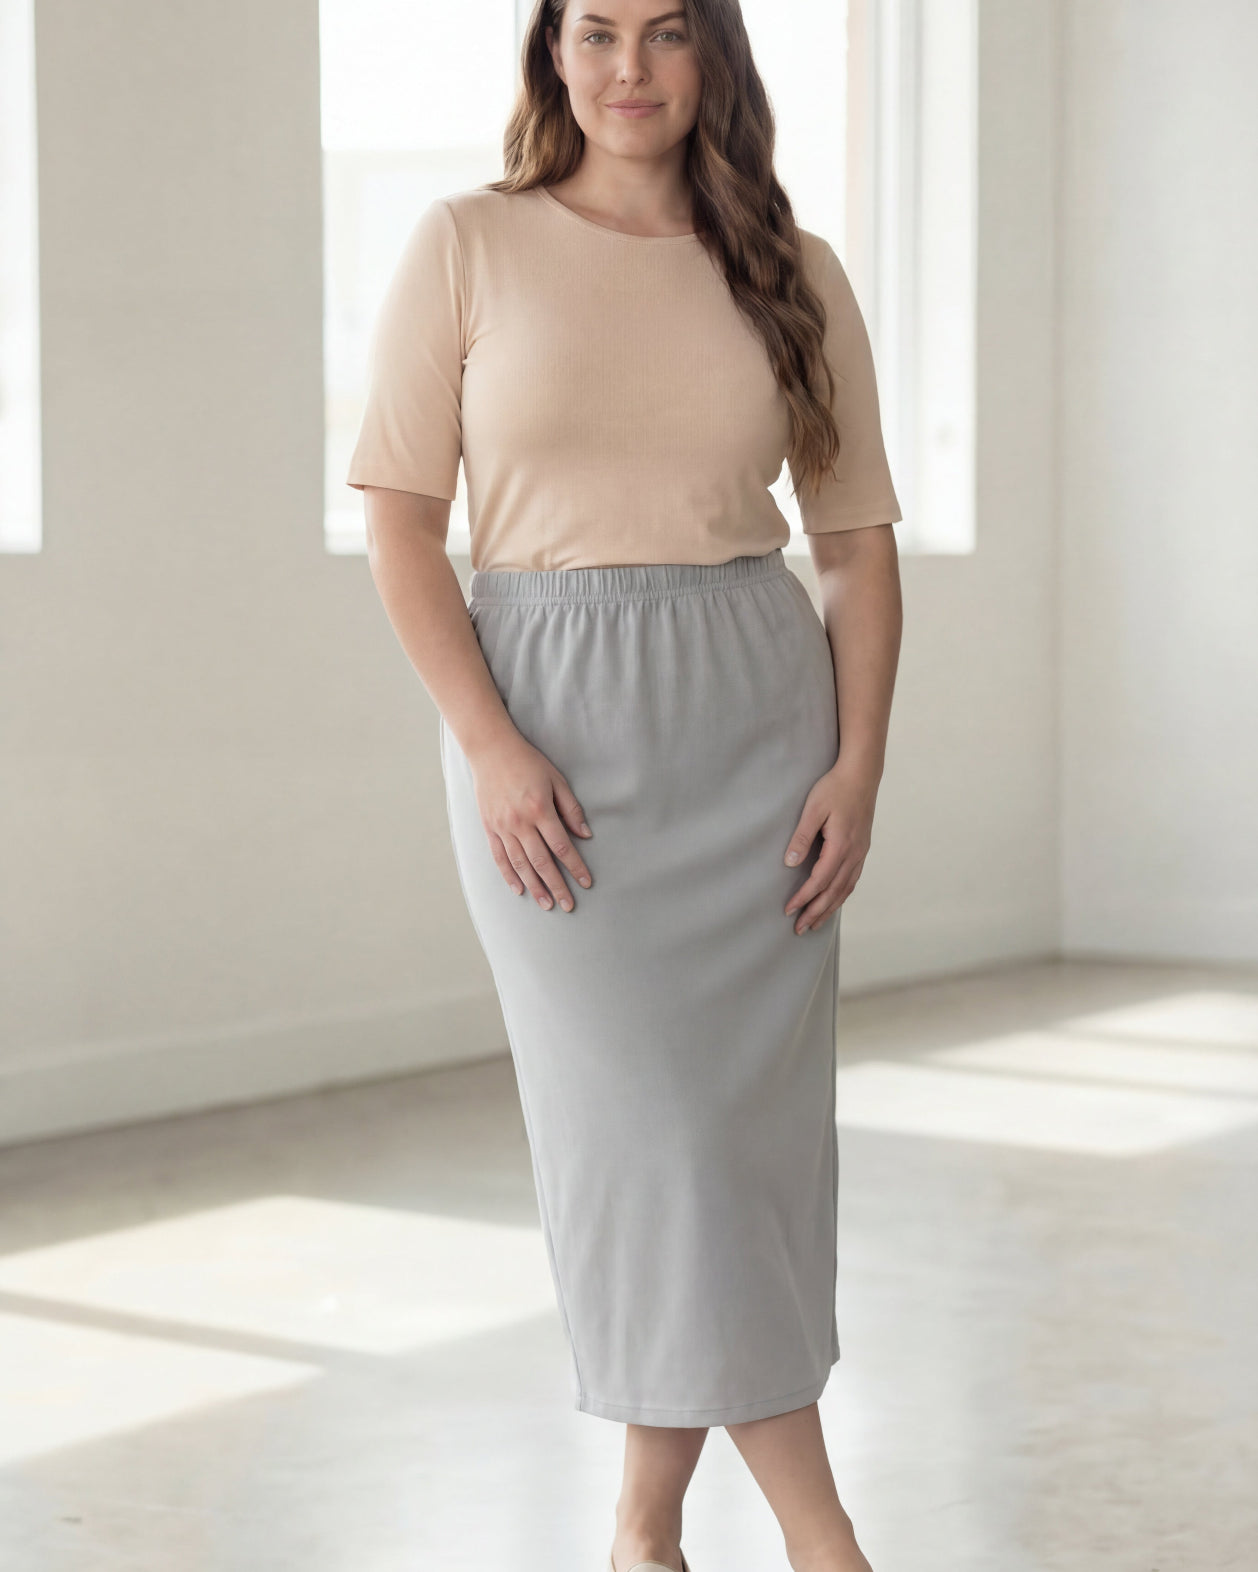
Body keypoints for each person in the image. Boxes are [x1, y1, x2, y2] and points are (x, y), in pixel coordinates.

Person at [346, 3, 903, 1570]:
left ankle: (644, 1530)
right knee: (655, 1139)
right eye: (594, 31)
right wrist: (491, 743)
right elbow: (401, 522)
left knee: (738, 1146)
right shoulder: (465, 244)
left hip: (756, 726)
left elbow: (856, 552)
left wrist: (858, 764)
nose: (629, 68)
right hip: (550, 735)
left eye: (666, 32)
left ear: (713, 58)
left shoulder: (787, 267)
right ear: (551, 55)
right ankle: (823, 1534)